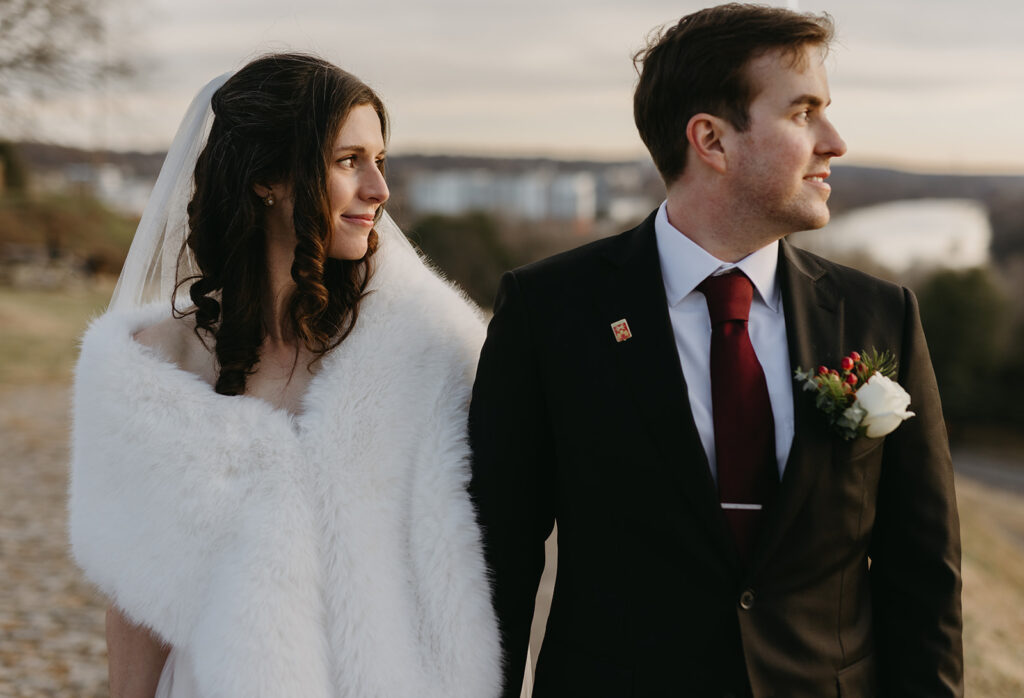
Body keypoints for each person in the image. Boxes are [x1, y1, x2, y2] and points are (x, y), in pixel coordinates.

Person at [468, 4, 963, 697]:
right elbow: (500, 561)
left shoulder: (880, 316)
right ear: (712, 140)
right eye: (803, 113)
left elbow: (923, 576)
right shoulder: (550, 312)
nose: (836, 141)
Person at [69, 53, 501, 697]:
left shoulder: (429, 352)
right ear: (266, 178)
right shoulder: (149, 371)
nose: (380, 191)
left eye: (379, 161)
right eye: (349, 161)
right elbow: (137, 587)